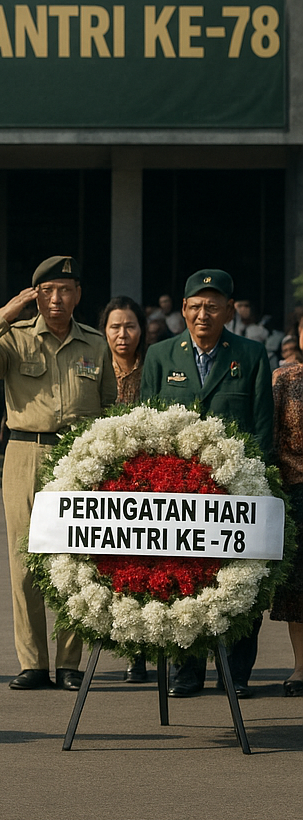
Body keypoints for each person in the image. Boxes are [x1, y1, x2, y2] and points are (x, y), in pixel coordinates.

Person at [0, 255, 116, 691]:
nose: (56, 299)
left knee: (76, 560)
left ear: (78, 294)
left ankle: (69, 661)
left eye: (65, 290)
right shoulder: (15, 339)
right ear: (36, 296)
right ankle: (32, 662)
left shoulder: (95, 344)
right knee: (24, 560)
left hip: (79, 459)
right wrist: (3, 316)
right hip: (26, 452)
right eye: (47, 291)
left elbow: (108, 408)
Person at [141, 269, 273, 698]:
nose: (203, 314)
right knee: (182, 578)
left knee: (239, 581)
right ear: (182, 310)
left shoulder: (251, 355)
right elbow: (142, 426)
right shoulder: (161, 355)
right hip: (177, 496)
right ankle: (187, 669)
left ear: (229, 311)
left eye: (212, 306)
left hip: (234, 493)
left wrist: (252, 481)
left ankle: (235, 673)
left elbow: (262, 430)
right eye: (195, 306)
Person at [99, 295, 149, 682]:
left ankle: (144, 649)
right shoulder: (94, 365)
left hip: (147, 475)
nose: (122, 334)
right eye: (115, 326)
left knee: (146, 561)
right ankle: (124, 642)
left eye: (129, 326)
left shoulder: (152, 367)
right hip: (105, 475)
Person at [272, 322, 303, 697]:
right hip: (297, 490)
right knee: (298, 589)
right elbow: (271, 435)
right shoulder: (284, 378)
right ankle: (300, 667)